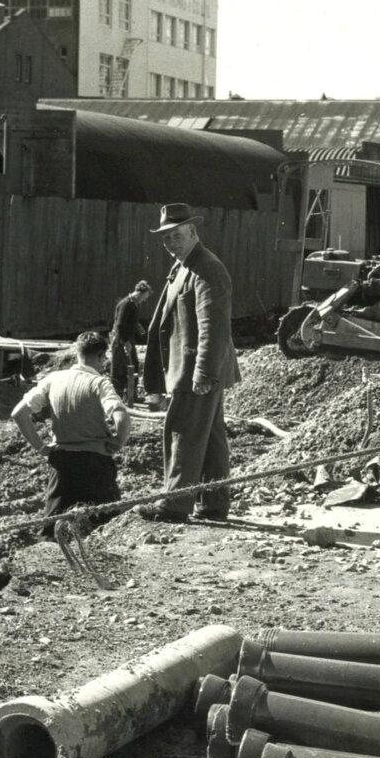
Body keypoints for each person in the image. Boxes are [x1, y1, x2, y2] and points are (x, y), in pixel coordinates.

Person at [139, 203, 240, 523]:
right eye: (165, 237)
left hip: (196, 370)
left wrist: (204, 372)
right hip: (189, 368)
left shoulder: (207, 268)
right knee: (209, 438)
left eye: (176, 235)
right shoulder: (184, 266)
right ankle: (213, 505)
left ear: (194, 232)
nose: (170, 242)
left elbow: (214, 325)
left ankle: (174, 505)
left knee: (181, 430)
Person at [10, 331, 132, 540]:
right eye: (105, 359)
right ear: (101, 356)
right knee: (106, 531)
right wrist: (118, 442)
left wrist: (41, 447)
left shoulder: (54, 379)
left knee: (50, 534)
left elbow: (18, 414)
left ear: (78, 353)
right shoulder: (99, 383)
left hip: (62, 465)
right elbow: (122, 417)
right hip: (96, 466)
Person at [108, 280, 153, 404]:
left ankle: (131, 395)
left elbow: (132, 321)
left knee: (134, 366)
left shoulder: (133, 304)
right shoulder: (126, 304)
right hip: (121, 341)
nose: (145, 300)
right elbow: (120, 325)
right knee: (120, 369)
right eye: (145, 297)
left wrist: (141, 331)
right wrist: (125, 341)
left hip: (128, 339)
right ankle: (116, 398)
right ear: (140, 293)